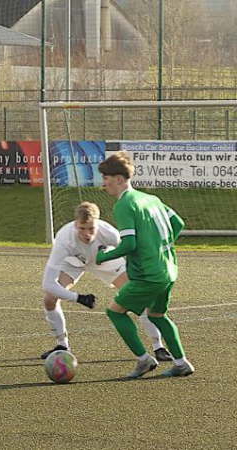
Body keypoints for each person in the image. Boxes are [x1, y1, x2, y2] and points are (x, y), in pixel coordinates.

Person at [96, 151, 194, 378]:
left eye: (107, 178)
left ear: (119, 179)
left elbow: (129, 244)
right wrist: (158, 246)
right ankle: (181, 363)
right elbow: (178, 223)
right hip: (168, 269)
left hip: (149, 274)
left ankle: (144, 360)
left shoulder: (124, 204)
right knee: (157, 315)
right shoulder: (151, 199)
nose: (104, 183)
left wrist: (103, 257)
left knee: (115, 312)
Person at [41, 201, 172, 361]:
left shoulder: (109, 233)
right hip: (74, 262)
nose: (86, 234)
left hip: (105, 260)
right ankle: (62, 345)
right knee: (49, 299)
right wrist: (78, 298)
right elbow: (48, 283)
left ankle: (158, 347)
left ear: (98, 223)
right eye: (82, 228)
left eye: (91, 229)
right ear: (75, 224)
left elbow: (131, 250)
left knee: (140, 297)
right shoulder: (63, 239)